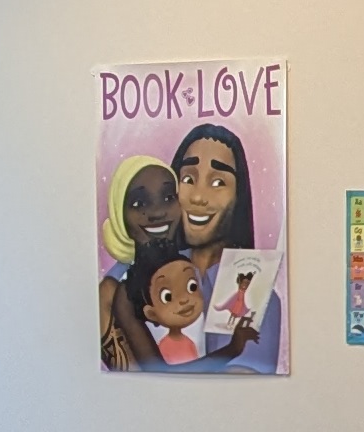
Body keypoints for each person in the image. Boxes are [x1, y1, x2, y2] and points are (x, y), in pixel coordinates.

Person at [97, 155, 182, 370]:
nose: (157, 212)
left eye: (168, 197)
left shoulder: (196, 270)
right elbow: (143, 378)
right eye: (139, 203)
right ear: (120, 215)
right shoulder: (113, 291)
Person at [170, 123, 257, 261]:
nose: (198, 197)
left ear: (238, 193)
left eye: (218, 183)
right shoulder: (158, 273)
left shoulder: (253, 273)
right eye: (188, 179)